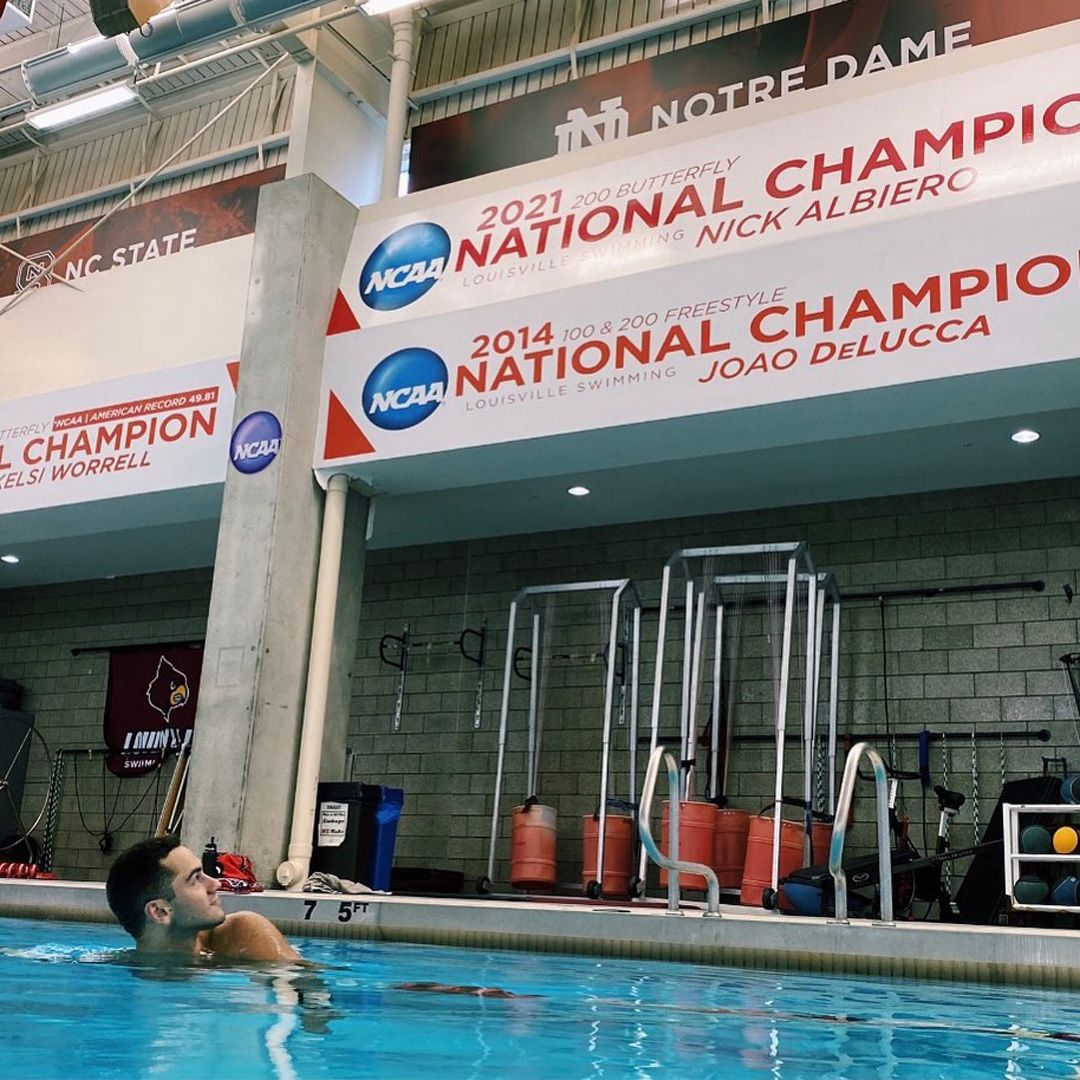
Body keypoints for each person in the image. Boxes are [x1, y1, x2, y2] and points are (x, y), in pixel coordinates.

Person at [106, 835, 299, 962]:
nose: (216, 884)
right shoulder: (114, 969)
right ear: (160, 912)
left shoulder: (243, 934)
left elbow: (312, 1000)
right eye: (196, 879)